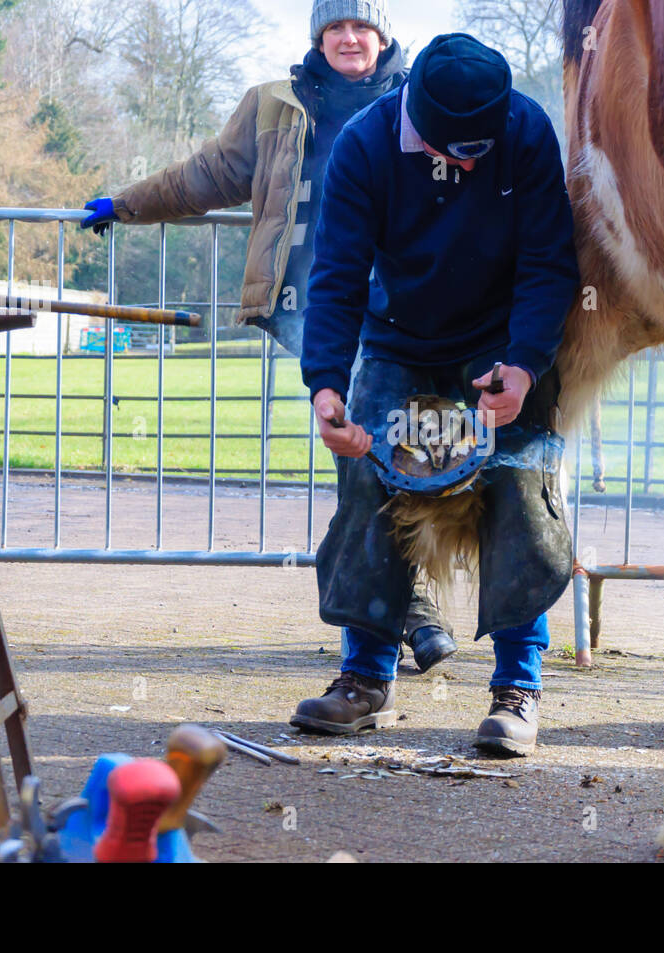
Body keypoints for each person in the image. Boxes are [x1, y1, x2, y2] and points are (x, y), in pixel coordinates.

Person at [80, 1, 459, 673]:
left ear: (383, 36)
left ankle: (397, 615)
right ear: (318, 36)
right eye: (335, 26)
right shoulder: (274, 105)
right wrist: (127, 203)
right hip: (313, 308)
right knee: (368, 451)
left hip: (408, 306)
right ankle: (402, 615)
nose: (348, 37)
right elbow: (206, 175)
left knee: (389, 453)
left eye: (361, 25)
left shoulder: (418, 99)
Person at [291, 33, 580, 755]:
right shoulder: (366, 146)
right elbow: (336, 275)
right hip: (400, 340)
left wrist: (522, 366)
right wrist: (326, 384)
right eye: (463, 153)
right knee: (369, 480)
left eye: (486, 148)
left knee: (520, 487)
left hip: (502, 343)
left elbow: (549, 264)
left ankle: (517, 687)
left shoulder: (526, 130)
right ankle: (364, 677)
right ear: (422, 122)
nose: (475, 164)